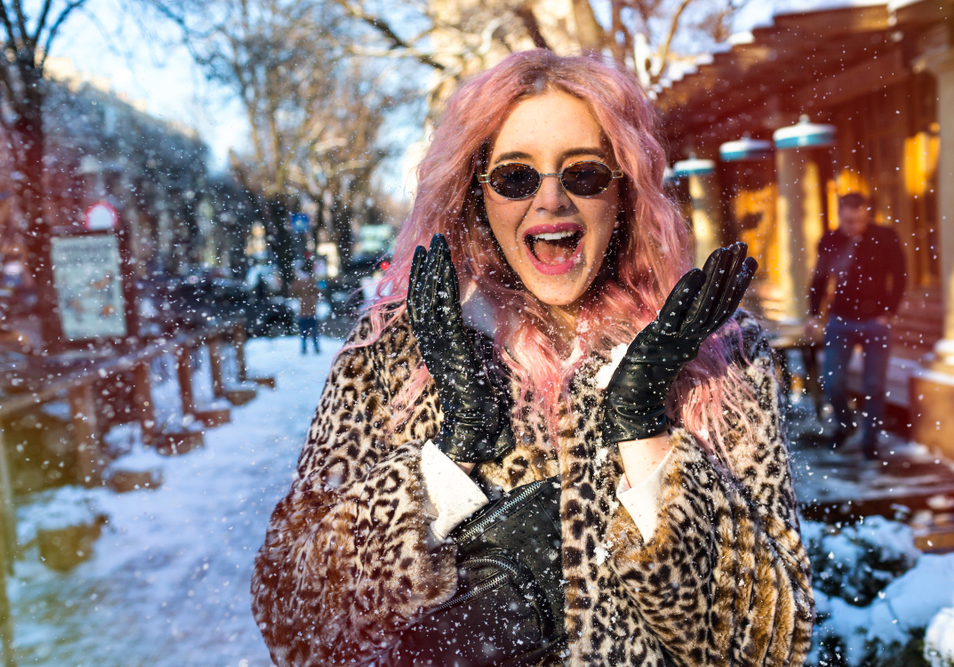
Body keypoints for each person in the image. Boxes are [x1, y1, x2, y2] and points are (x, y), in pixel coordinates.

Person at [252, 51, 813, 667]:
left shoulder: (717, 356)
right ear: (475, 193)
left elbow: (771, 648)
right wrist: (445, 463)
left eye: (585, 174)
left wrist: (644, 431)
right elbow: (292, 618)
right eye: (516, 177)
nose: (551, 203)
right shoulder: (395, 352)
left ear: (623, 191)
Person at [806, 193, 906, 460]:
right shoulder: (830, 241)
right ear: (840, 216)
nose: (854, 227)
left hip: (876, 322)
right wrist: (813, 314)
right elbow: (819, 277)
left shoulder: (885, 236)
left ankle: (870, 444)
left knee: (874, 385)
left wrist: (890, 312)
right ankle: (846, 425)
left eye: (860, 220)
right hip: (841, 321)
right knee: (833, 382)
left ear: (866, 214)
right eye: (849, 221)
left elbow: (900, 275)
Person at [289, 263, 321, 355]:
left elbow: (292, 292)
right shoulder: (311, 281)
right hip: (310, 310)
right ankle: (315, 348)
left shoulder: (299, 282)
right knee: (313, 332)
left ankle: (305, 349)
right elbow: (317, 292)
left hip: (304, 311)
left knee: (304, 332)